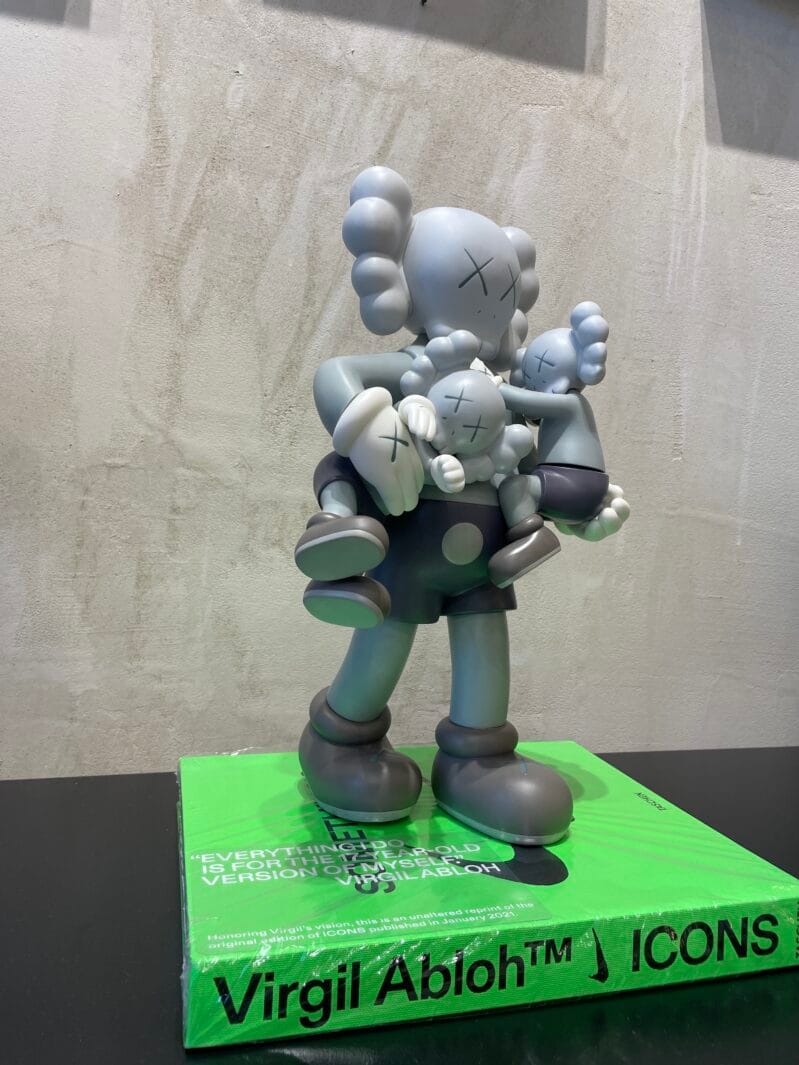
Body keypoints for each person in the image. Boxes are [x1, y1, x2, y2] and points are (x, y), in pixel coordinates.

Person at [295, 166, 629, 846]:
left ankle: (479, 757)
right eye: (474, 279)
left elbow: (529, 456)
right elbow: (336, 376)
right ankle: (340, 739)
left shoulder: (503, 391)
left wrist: (574, 502)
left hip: (485, 556)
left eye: (501, 287)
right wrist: (372, 431)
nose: (490, 297)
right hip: (409, 537)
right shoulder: (415, 368)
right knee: (385, 635)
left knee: (483, 641)